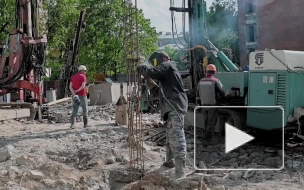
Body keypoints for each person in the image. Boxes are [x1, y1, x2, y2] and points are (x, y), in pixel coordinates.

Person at [137, 52, 188, 179]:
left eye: (155, 62)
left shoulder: (167, 65)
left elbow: (151, 72)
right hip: (171, 106)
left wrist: (142, 66)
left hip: (175, 105)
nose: (156, 64)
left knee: (176, 136)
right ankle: (169, 161)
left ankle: (181, 170)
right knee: (170, 134)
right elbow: (158, 86)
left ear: (162, 59)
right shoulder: (168, 70)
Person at [197, 64, 226, 140]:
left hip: (203, 105)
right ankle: (209, 140)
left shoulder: (201, 81)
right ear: (214, 72)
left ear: (206, 72)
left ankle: (205, 137)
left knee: (206, 121)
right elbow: (223, 92)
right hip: (212, 105)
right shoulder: (216, 81)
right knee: (211, 122)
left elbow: (197, 94)